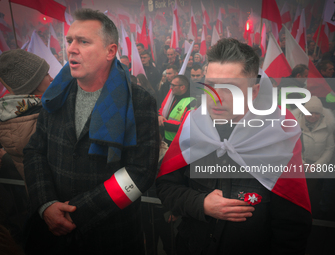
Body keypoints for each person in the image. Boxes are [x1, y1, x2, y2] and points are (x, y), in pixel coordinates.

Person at [156, 38, 312, 254]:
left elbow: (292, 225)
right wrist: (200, 204)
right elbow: (166, 187)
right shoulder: (193, 124)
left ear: (254, 91)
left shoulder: (280, 135)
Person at [23, 9, 159, 255]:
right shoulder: (56, 95)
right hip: (51, 236)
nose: (72, 49)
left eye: (83, 41)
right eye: (70, 40)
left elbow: (140, 172)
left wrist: (77, 213)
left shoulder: (139, 101)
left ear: (110, 51)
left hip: (111, 236)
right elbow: (35, 150)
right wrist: (47, 204)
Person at [0, 49, 53, 180]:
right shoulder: (43, 114)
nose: (51, 78)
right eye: (46, 74)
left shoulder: (7, 112)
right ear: (33, 84)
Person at [158, 75, 196, 145]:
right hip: (166, 139)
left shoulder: (192, 102)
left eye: (173, 85)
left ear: (182, 87)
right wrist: (159, 116)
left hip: (179, 142)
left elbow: (185, 126)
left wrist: (163, 123)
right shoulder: (172, 98)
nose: (171, 87)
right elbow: (162, 110)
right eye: (171, 84)